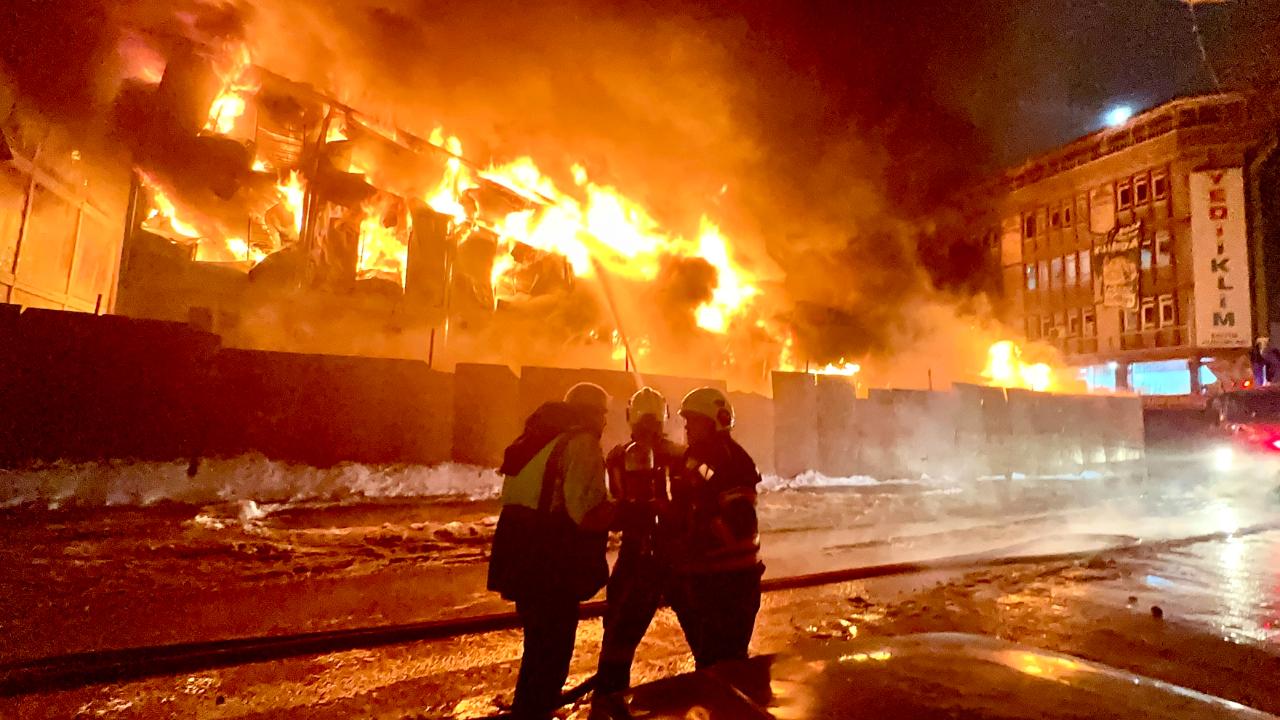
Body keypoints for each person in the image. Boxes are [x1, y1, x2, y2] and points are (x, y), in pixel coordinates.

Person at [487, 382, 615, 719]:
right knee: (551, 658)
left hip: (521, 561)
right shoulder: (582, 443)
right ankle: (533, 713)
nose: (604, 422)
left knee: (537, 652)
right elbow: (586, 513)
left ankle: (528, 711)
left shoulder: (539, 442)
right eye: (603, 414)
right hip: (551, 569)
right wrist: (630, 510)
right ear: (592, 413)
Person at [595, 387, 686, 695]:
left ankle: (609, 697)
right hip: (674, 553)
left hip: (636, 553)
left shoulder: (617, 456)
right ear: (664, 416)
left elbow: (615, 505)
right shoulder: (680, 454)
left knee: (619, 634)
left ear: (630, 417)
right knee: (702, 632)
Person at [667, 387, 764, 669]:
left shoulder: (732, 459)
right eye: (686, 421)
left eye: (694, 421)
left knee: (726, 667)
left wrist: (694, 538)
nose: (687, 427)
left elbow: (738, 523)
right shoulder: (698, 457)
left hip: (729, 583)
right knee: (709, 663)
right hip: (706, 578)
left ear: (716, 421)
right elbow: (696, 488)